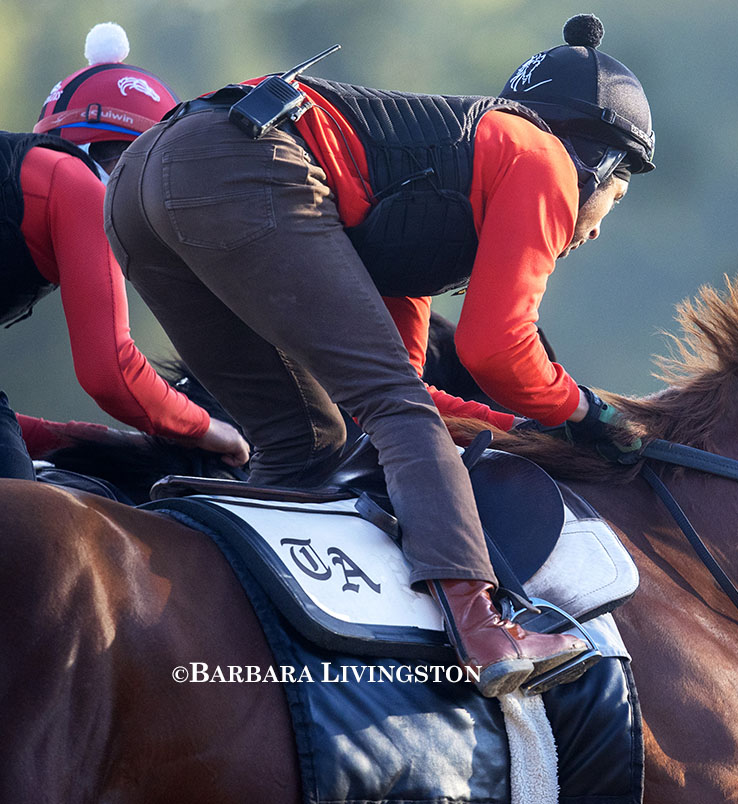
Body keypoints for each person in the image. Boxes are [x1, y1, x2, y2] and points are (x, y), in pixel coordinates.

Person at [105, 13, 653, 697]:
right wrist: (588, 414)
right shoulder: (540, 157)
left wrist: (519, 431)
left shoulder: (439, 198)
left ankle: (229, 630)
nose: (599, 228)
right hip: (231, 165)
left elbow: (410, 385)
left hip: (138, 185)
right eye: (617, 196)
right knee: (390, 413)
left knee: (301, 442)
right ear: (594, 163)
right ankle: (485, 634)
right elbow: (494, 350)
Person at [0, 22, 249, 481]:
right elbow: (109, 374)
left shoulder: (33, 180)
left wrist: (77, 437)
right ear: (140, 158)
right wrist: (210, 431)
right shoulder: (77, 187)